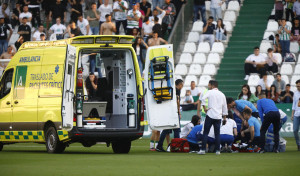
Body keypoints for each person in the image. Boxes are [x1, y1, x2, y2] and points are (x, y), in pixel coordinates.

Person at [198, 80, 228, 155]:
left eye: (209, 85)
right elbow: (225, 107)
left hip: (210, 115)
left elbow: (203, 99)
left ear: (212, 85)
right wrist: (224, 118)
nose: (208, 86)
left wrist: (204, 108)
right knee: (217, 134)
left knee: (205, 133)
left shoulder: (210, 92)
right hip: (218, 116)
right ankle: (218, 150)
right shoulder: (222, 94)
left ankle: (203, 150)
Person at [156, 79, 184, 152]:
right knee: (177, 129)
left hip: (168, 111)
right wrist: (179, 112)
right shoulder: (177, 91)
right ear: (179, 84)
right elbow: (177, 101)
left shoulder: (171, 89)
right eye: (182, 85)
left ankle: (159, 146)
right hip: (174, 112)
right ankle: (176, 147)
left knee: (166, 130)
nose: (182, 87)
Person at [292, 79, 300, 151]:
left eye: (299, 86)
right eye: (297, 86)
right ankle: (298, 144)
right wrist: (292, 114)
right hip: (296, 114)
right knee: (295, 130)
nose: (298, 87)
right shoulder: (295, 93)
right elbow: (294, 105)